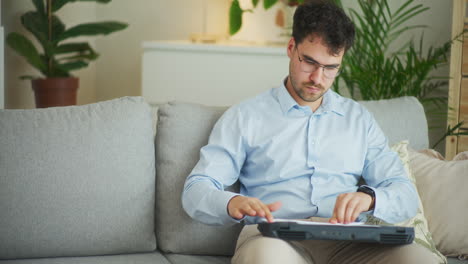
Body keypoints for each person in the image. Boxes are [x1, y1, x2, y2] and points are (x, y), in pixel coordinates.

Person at [182, 1, 439, 263]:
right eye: (310, 62)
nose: (318, 78)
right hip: (275, 239)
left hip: (350, 242)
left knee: (420, 260)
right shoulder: (245, 116)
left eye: (331, 68)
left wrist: (370, 199)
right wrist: (231, 203)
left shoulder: (359, 120)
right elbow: (195, 190)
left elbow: (405, 194)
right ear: (292, 48)